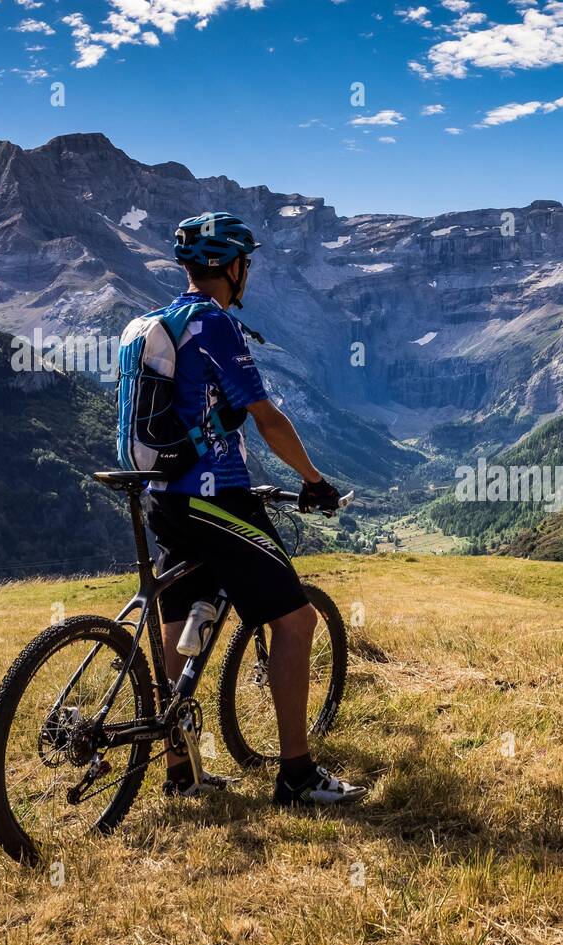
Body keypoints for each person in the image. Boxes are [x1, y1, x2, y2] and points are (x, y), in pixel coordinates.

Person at [146, 211, 364, 806]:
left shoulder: (158, 322)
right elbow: (266, 418)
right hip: (215, 495)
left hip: (161, 496)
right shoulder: (213, 325)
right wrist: (313, 479)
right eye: (248, 264)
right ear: (232, 267)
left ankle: (181, 771)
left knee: (177, 623)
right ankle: (295, 775)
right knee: (295, 620)